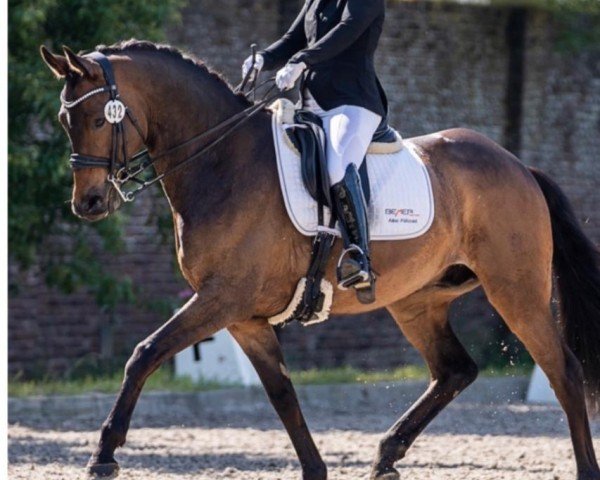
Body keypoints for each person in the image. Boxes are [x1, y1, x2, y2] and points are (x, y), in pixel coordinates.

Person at [242, 0, 387, 303]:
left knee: (337, 167)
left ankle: (359, 257)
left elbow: (346, 31)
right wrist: (262, 59)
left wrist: (301, 61)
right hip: (312, 106)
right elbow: (293, 39)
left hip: (352, 102)